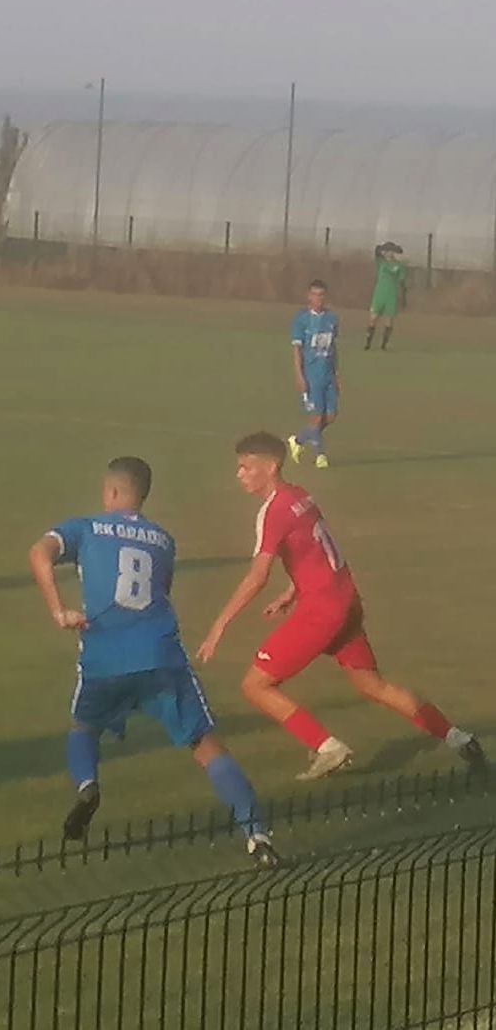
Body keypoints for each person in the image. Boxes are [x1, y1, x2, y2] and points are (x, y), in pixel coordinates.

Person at [29, 457, 277, 867]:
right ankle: (257, 835)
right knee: (207, 746)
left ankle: (88, 785)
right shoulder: (164, 540)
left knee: (85, 727)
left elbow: (39, 553)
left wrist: (59, 611)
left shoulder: (85, 527)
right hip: (161, 656)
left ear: (111, 491)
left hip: (104, 657)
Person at [197, 432, 484, 780]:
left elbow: (257, 577)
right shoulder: (300, 496)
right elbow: (318, 550)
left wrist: (219, 626)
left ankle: (327, 747)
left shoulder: (273, 511)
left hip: (322, 611)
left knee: (255, 686)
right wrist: (292, 590)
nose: (239, 474)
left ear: (270, 467)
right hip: (346, 601)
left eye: (246, 467)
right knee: (372, 685)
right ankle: (458, 738)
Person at [286, 280, 339, 470]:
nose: (318, 298)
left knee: (330, 417)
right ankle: (320, 455)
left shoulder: (332, 319)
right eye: (315, 294)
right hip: (312, 375)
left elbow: (333, 348)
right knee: (316, 417)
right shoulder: (301, 320)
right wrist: (299, 375)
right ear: (309, 296)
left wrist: (337, 373)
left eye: (321, 295)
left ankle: (298, 440)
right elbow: (297, 350)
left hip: (328, 374)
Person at [365, 242, 406, 351]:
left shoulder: (399, 265)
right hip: (379, 294)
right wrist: (382, 247)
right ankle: (368, 343)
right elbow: (376, 252)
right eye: (388, 251)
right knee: (373, 319)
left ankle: (384, 345)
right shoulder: (381, 262)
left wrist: (403, 297)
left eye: (391, 251)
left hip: (391, 295)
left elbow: (402, 281)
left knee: (389, 321)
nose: (389, 253)